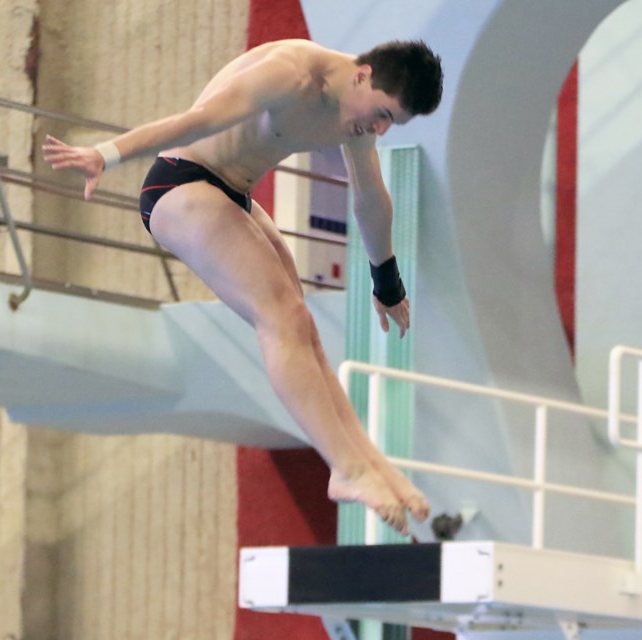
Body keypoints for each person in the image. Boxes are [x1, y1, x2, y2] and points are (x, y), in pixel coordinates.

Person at [43, 38, 443, 534]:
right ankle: (346, 468)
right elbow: (197, 120)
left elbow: (370, 198)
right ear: (362, 75)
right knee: (283, 320)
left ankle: (370, 461)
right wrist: (109, 154)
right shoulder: (291, 73)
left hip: (232, 195)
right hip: (179, 185)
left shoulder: (356, 113)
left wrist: (386, 279)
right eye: (382, 115)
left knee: (306, 331)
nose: (379, 129)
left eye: (392, 123)